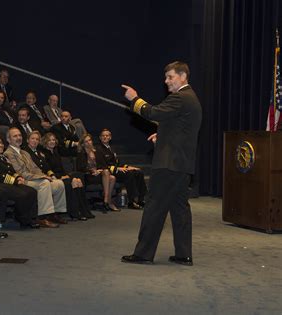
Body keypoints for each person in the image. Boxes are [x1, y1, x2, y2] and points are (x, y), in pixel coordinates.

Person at [120, 61, 202, 266]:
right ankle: (184, 254)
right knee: (180, 209)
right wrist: (162, 136)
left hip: (168, 164)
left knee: (154, 207)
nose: (166, 81)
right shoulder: (192, 99)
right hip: (182, 165)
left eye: (170, 77)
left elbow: (153, 113)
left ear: (183, 76)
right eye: (166, 77)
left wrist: (134, 99)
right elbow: (180, 129)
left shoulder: (180, 97)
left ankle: (143, 254)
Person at [4, 127, 67, 227]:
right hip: (23, 181)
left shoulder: (24, 152)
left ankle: (54, 213)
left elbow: (35, 168)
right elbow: (20, 173)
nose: (18, 138)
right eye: (15, 136)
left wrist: (45, 175)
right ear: (8, 139)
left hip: (33, 179)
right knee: (44, 183)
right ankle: (42, 217)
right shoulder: (8, 153)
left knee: (58, 183)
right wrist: (42, 178)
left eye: (20, 135)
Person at [0, 134, 41, 229]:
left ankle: (32, 218)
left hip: (10, 183)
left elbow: (11, 170)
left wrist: (18, 177)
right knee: (22, 195)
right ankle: (23, 219)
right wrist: (15, 181)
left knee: (32, 191)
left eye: (1, 143)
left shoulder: (2, 157)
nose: (1, 145)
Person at [40, 132, 95, 220]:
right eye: (49, 140)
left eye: (53, 140)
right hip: (53, 177)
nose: (52, 142)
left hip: (61, 175)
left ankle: (84, 210)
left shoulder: (55, 152)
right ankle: (75, 213)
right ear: (45, 141)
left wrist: (66, 175)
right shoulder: (43, 154)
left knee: (78, 179)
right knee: (71, 182)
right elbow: (47, 170)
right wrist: (61, 177)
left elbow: (61, 168)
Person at [96, 128, 147, 209]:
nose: (105, 137)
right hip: (108, 172)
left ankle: (141, 199)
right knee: (128, 174)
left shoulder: (111, 148)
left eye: (107, 135)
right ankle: (132, 201)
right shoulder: (98, 149)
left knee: (138, 172)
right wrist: (118, 169)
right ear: (100, 137)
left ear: (110, 137)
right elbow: (102, 166)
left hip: (116, 170)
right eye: (103, 135)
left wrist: (128, 167)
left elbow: (118, 163)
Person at [76, 133, 119, 212]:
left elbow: (103, 164)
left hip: (99, 174)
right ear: (82, 144)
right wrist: (92, 171)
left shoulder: (97, 151)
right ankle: (107, 202)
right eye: (86, 141)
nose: (89, 142)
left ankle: (106, 201)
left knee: (112, 177)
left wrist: (99, 170)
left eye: (90, 140)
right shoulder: (81, 153)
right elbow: (80, 168)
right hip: (88, 175)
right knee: (108, 175)